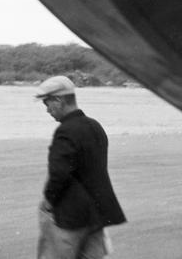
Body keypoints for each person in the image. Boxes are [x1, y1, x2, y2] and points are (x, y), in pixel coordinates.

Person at [35, 76, 126, 259]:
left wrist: (48, 201)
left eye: (47, 103)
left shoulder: (65, 131)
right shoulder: (95, 126)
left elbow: (59, 174)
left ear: (59, 100)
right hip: (97, 213)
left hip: (70, 216)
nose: (47, 110)